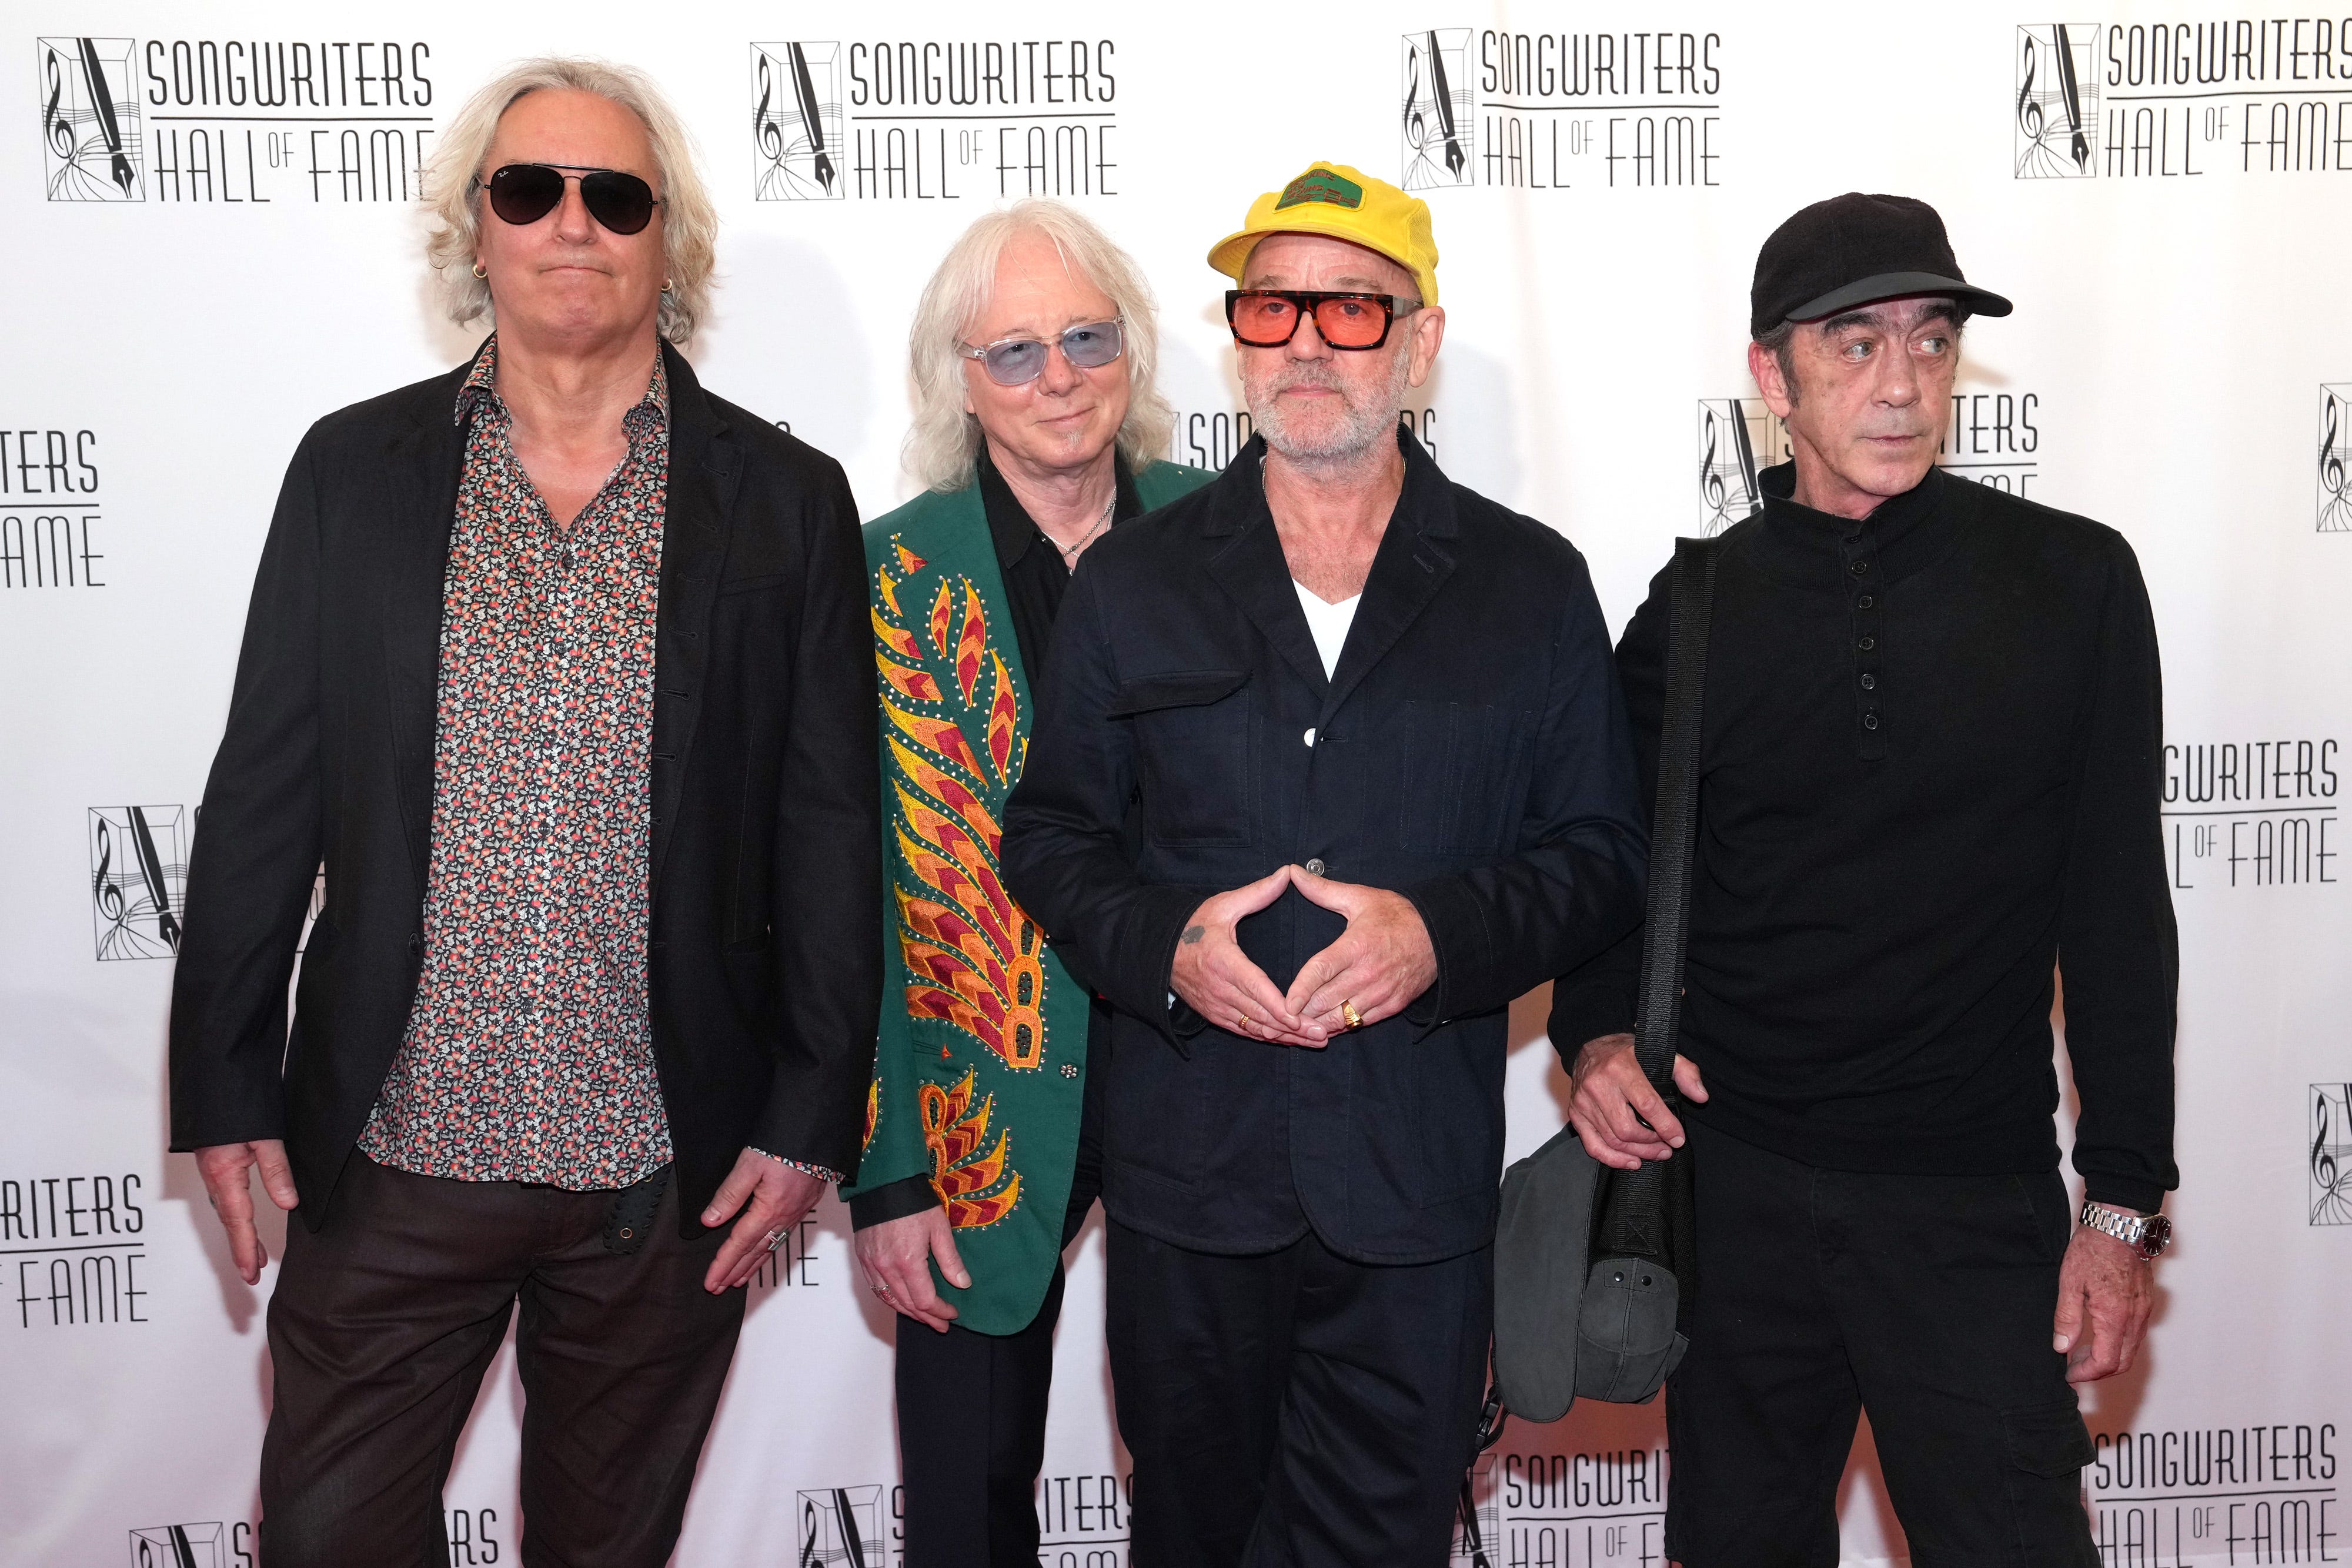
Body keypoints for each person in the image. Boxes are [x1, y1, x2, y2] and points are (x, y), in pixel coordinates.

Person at [165, 58, 879, 1568]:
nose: (573, 225)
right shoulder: (350, 469)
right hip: (392, 1147)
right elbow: (261, 790)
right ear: (472, 231)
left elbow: (828, 824)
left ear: (666, 242)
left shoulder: (786, 497)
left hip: (659, 1169)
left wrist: (814, 1109)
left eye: (615, 196)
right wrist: (223, 1081)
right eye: (528, 189)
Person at [999, 160, 1648, 1566]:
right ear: (1235, 336)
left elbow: (1600, 856)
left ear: (1416, 342)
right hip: (1187, 1190)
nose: (1302, 341)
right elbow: (1050, 836)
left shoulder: (1528, 585)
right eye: (1270, 306)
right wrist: (1164, 941)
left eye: (1350, 310)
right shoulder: (1135, 576)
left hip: (1410, 1198)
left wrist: (1441, 934)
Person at [1552, 192, 2177, 1567]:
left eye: (1932, 339)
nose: (1901, 384)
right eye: (1854, 344)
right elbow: (1610, 863)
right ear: (1770, 375)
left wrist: (2121, 1203)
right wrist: (1591, 1028)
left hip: (1968, 1201)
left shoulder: (2070, 583)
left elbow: (2119, 910)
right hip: (1738, 1198)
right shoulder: (1694, 605)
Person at [842, 199, 1214, 1566]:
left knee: (1208, 1470)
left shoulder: (1228, 532)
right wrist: (885, 1170)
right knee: (965, 1497)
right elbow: (852, 896)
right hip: (967, 1109)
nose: (1056, 375)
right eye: (1013, 351)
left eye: (1083, 336)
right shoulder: (882, 573)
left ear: (1130, 350)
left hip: (1210, 1076)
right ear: (959, 377)